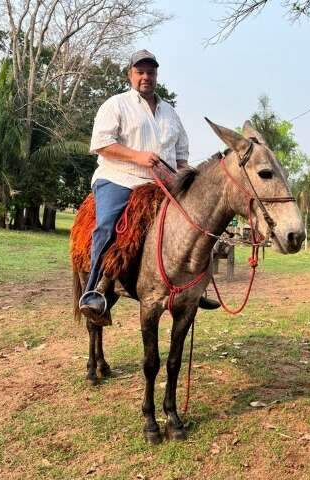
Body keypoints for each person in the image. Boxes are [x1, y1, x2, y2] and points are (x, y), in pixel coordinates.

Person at [80, 49, 220, 320]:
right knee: (108, 226)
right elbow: (100, 144)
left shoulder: (170, 113)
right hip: (120, 178)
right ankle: (94, 291)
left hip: (163, 184)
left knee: (199, 224)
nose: (146, 77)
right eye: (140, 72)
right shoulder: (116, 105)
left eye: (150, 72)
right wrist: (138, 156)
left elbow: (181, 158)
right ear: (130, 75)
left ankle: (196, 287)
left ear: (156, 75)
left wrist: (188, 180)